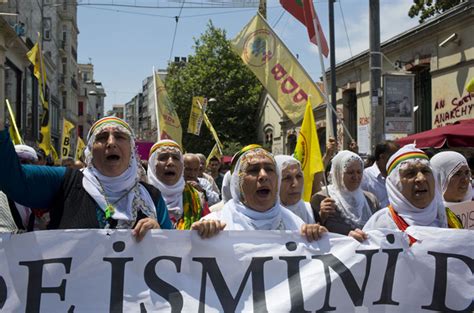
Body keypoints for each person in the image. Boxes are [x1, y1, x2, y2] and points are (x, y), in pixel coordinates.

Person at [0, 117, 172, 239]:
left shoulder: (152, 197)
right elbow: (13, 178)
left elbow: (173, 254)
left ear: (132, 149)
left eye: (120, 137)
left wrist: (159, 237)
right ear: (90, 150)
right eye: (102, 138)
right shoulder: (65, 182)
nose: (111, 142)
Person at [194, 145, 327, 241]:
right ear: (237, 183)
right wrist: (198, 239)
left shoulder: (297, 225)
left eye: (269, 169)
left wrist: (318, 239)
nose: (263, 175)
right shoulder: (214, 223)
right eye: (253, 170)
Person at [362, 145, 463, 244]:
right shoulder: (381, 224)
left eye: (425, 171)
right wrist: (357, 242)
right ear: (394, 184)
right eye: (410, 173)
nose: (421, 178)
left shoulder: (449, 219)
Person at [311, 150, 380, 236]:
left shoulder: (371, 199)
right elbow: (312, 230)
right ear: (338, 173)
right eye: (350, 172)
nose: (356, 177)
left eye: (359, 172)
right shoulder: (322, 198)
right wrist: (322, 215)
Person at [147, 140, 209, 229]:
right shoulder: (140, 197)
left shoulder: (197, 198)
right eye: (163, 157)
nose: (170, 163)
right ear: (152, 164)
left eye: (176, 158)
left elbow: (210, 231)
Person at [275, 155, 315, 224]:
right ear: (275, 182)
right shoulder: (264, 218)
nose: (295, 184)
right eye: (287, 178)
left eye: (299, 176)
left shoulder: (310, 211)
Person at [361, 140, 399, 208]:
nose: (396, 160)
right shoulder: (366, 176)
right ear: (382, 157)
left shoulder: (397, 175)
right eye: (393, 157)